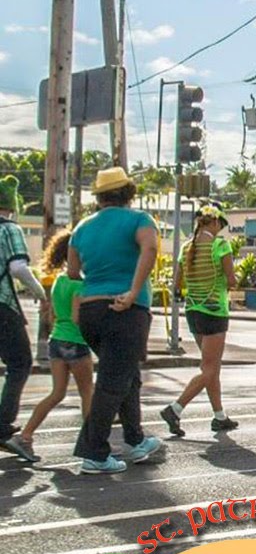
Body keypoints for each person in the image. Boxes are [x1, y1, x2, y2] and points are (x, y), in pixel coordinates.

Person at [65, 167, 162, 473]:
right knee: (112, 381)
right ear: (128, 193)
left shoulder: (81, 228)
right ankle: (93, 452)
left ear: (100, 196)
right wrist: (132, 290)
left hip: (91, 311)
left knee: (127, 374)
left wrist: (98, 282)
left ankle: (134, 439)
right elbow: (151, 247)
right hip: (125, 310)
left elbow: (71, 271)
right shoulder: (139, 220)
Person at [160, 202, 240, 437]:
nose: (221, 229)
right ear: (214, 222)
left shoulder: (186, 248)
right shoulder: (220, 246)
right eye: (221, 224)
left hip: (193, 311)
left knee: (211, 368)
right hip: (214, 312)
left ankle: (219, 416)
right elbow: (232, 279)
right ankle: (175, 408)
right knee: (209, 369)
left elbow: (177, 284)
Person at [10, 230, 90, 464]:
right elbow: (78, 318)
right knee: (88, 393)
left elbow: (53, 315)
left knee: (57, 393)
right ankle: (92, 441)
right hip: (76, 341)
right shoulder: (80, 284)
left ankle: (25, 435)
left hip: (57, 340)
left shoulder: (58, 281)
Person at [0, 173, 50, 462]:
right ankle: (3, 425)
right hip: (3, 305)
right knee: (20, 363)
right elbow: (18, 268)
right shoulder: (10, 230)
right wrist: (41, 294)